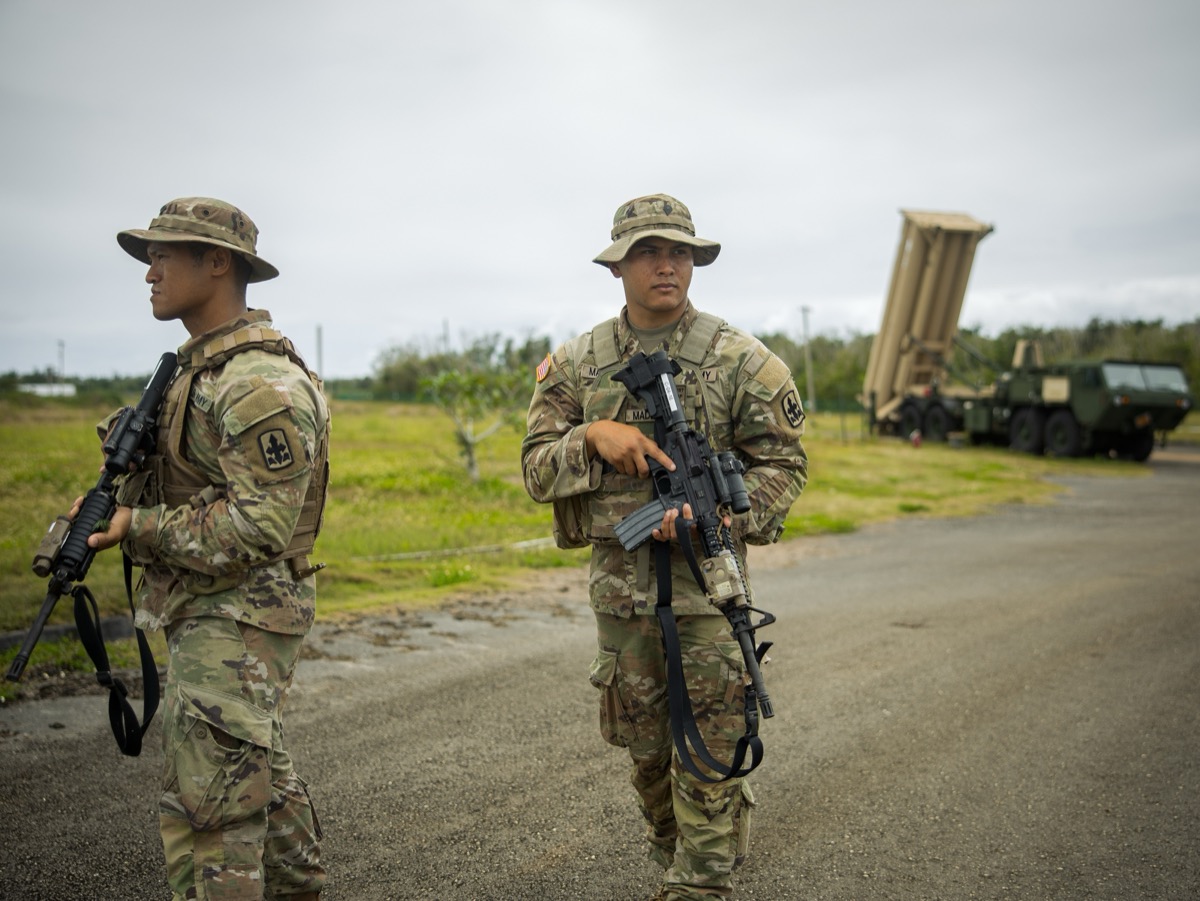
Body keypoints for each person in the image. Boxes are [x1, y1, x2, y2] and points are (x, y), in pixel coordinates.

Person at [521, 194, 808, 900]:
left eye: (680, 252)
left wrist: (725, 518)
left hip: (708, 588)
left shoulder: (742, 360)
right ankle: (685, 840)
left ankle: (699, 879)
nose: (666, 265)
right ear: (617, 266)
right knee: (648, 753)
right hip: (621, 596)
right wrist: (593, 438)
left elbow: (784, 464)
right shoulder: (577, 365)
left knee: (710, 743)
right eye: (648, 252)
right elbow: (535, 468)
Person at [80, 197, 329, 900]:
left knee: (210, 818)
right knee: (251, 772)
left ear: (217, 262)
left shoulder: (257, 383)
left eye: (163, 255)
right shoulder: (199, 371)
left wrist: (139, 526)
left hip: (240, 615)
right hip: (212, 608)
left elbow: (260, 525)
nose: (149, 272)